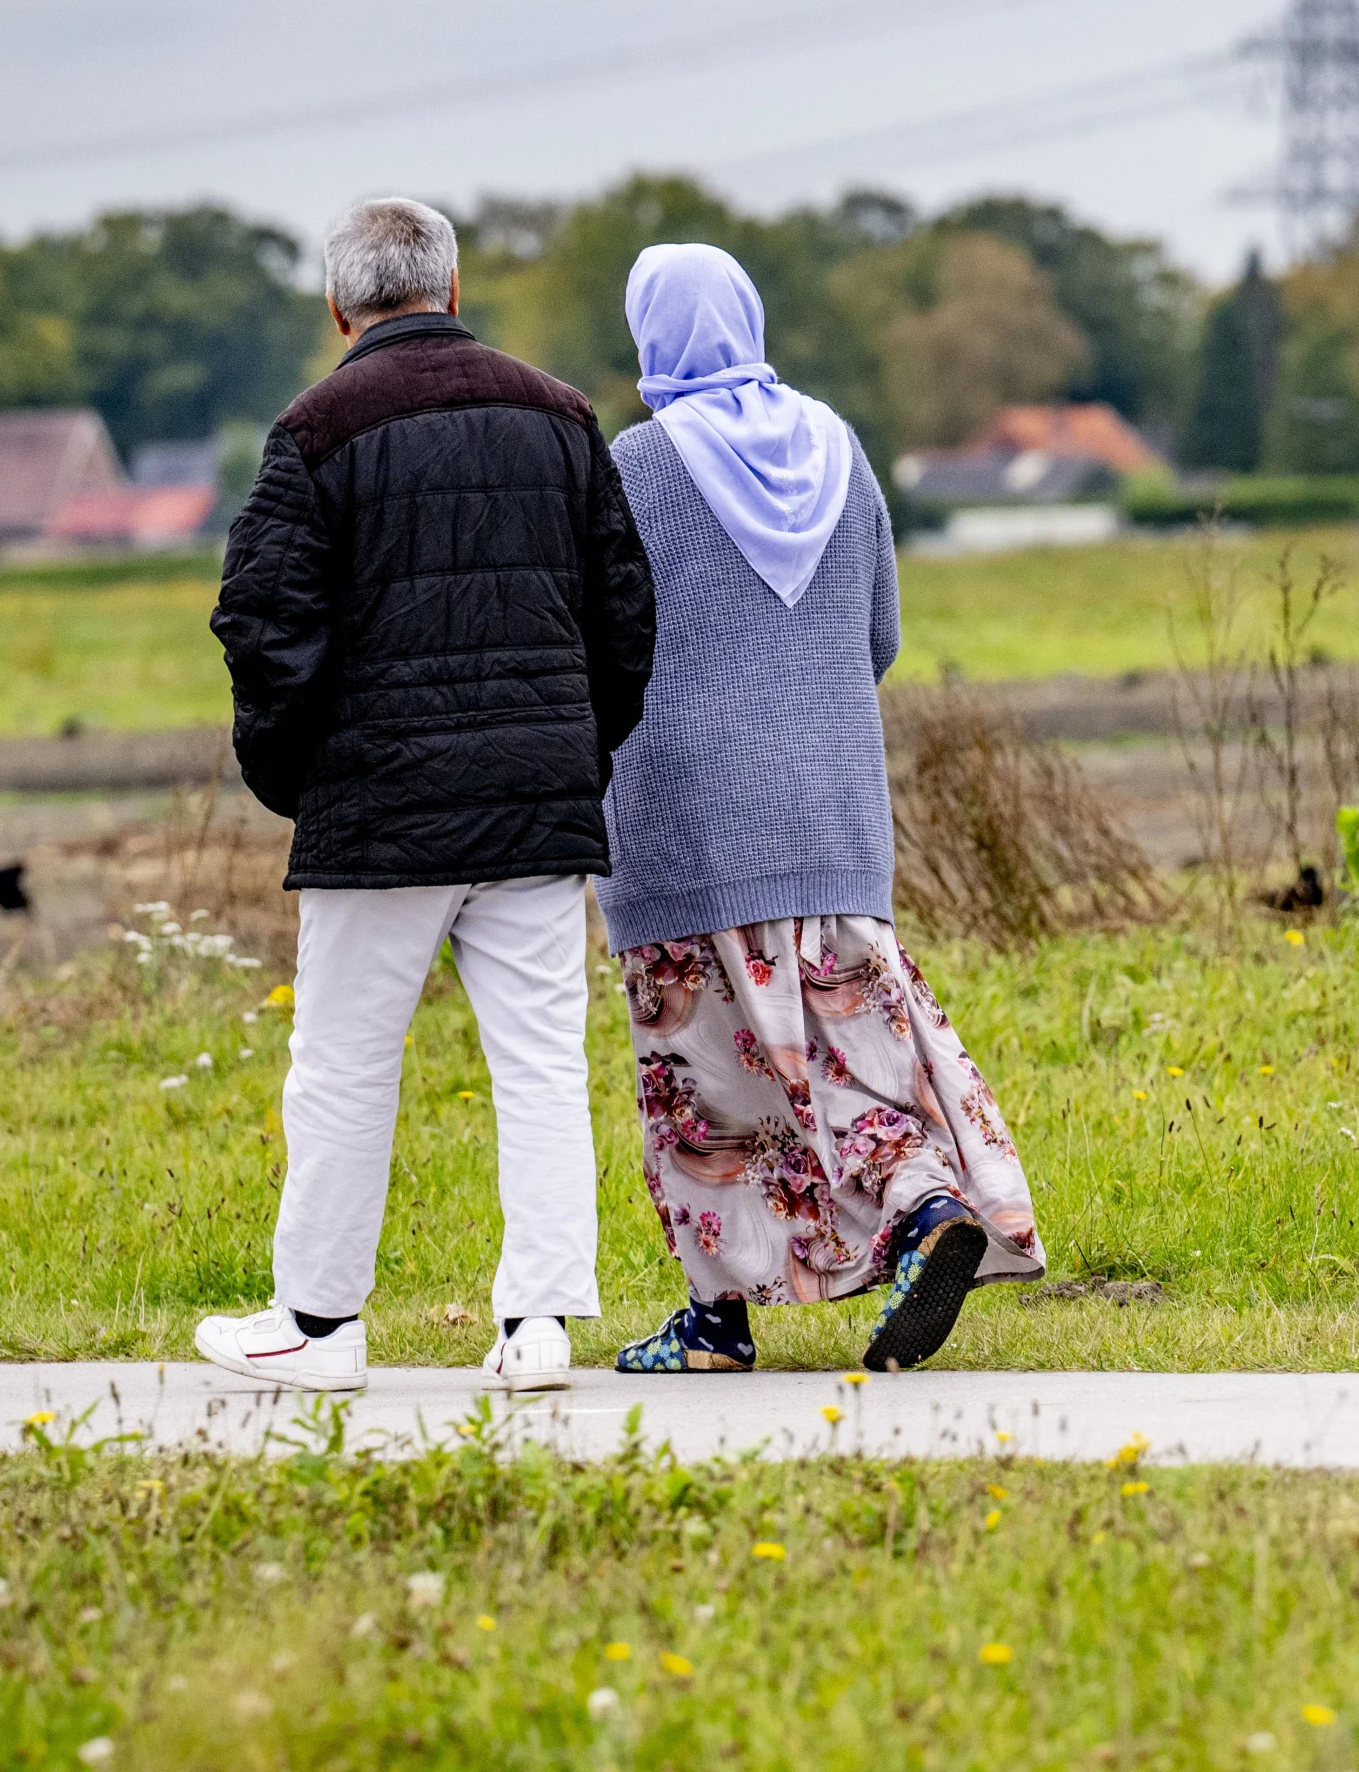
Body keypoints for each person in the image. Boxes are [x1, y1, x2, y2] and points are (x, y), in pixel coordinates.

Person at [194, 198, 656, 1395]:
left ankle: (321, 1326)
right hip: (536, 801)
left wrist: (295, 778)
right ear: (454, 289)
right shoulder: (561, 415)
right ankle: (541, 1326)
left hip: (375, 811)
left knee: (344, 1063)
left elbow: (262, 622)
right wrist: (575, 751)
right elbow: (624, 614)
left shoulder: (312, 428)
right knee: (542, 1062)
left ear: (341, 306)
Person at [598, 242, 1042, 1377]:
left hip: (685, 816)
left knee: (704, 1075)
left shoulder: (639, 466)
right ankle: (927, 1205)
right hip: (835, 810)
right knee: (856, 1053)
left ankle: (715, 1327)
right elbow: (880, 635)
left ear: (653, 338)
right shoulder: (837, 446)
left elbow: (599, 643)